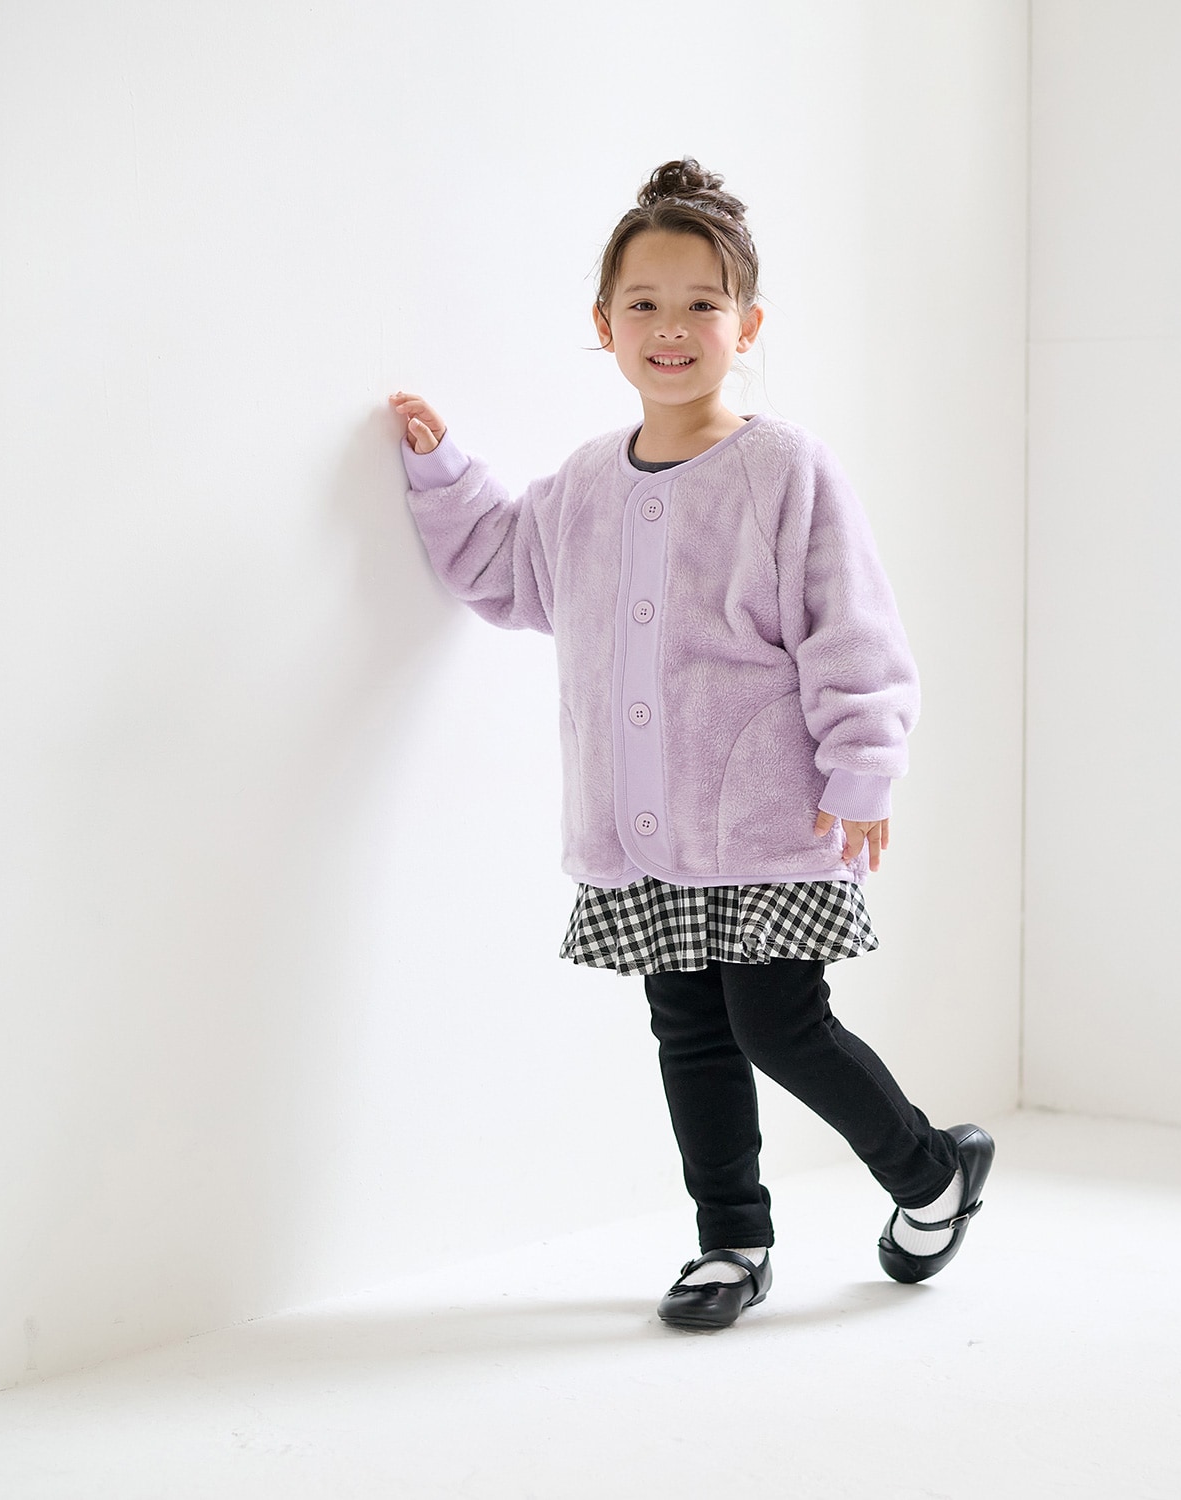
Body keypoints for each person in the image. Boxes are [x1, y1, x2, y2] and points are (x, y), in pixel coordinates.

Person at [388, 157, 993, 1332]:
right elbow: (505, 570)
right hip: (645, 829)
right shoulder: (583, 486)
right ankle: (730, 1244)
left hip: (769, 818)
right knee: (692, 1034)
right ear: (604, 324)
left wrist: (862, 770)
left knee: (780, 1025)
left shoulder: (784, 469)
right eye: (645, 304)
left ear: (746, 325)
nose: (672, 328)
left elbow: (852, 629)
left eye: (702, 304)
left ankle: (929, 1171)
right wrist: (443, 471)